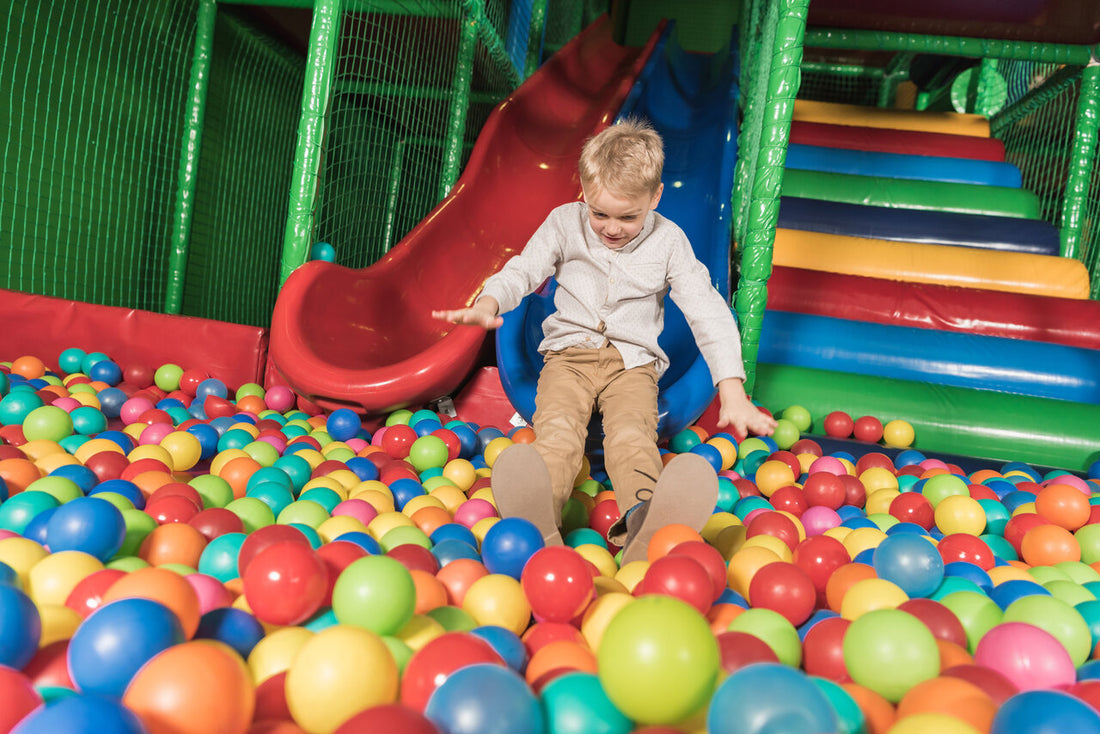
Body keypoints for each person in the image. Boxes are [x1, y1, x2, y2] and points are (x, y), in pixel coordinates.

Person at [433, 118, 776, 563]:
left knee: (633, 436)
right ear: (583, 192)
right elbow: (524, 268)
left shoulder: (670, 242)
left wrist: (731, 389)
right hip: (568, 358)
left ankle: (645, 519)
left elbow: (707, 309)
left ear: (655, 198)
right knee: (557, 432)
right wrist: (491, 301)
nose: (611, 228)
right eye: (599, 213)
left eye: (628, 217)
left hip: (632, 365)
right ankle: (538, 520)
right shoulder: (563, 223)